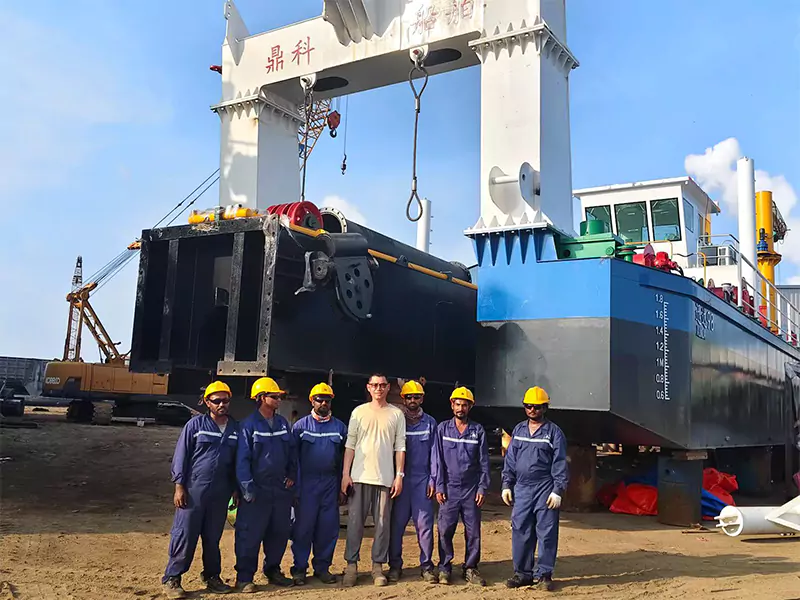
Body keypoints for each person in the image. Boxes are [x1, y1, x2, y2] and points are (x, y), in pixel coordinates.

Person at [161, 381, 239, 599]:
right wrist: (179, 486)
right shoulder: (195, 426)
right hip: (194, 489)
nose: (222, 404)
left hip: (221, 491)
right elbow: (181, 456)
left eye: (226, 400)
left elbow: (237, 462)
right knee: (185, 534)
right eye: (217, 401)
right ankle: (173, 578)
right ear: (207, 402)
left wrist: (235, 489)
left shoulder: (235, 428)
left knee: (213, 537)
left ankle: (212, 576)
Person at [341, 373, 407, 587]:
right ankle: (351, 565)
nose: (378, 389)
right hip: (359, 477)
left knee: (382, 524)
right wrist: (345, 474)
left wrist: (399, 476)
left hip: (385, 479)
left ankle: (377, 566)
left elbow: (400, 447)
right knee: (354, 523)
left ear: (388, 388)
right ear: (368, 388)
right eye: (374, 385)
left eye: (382, 385)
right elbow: (350, 444)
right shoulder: (358, 413)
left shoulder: (396, 414)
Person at [501, 386, 568, 592]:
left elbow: (560, 463)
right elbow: (510, 460)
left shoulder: (554, 433)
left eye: (536, 407)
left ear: (544, 408)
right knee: (521, 530)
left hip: (544, 488)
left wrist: (558, 490)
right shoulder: (519, 431)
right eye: (528, 406)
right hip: (522, 489)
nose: (532, 410)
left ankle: (544, 575)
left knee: (546, 532)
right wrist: (506, 484)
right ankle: (522, 574)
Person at [234, 377, 297, 593]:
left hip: (280, 490)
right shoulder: (248, 426)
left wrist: (291, 475)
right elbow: (242, 460)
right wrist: (247, 489)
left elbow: (291, 453)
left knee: (279, 533)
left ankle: (273, 570)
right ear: (261, 398)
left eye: (279, 396)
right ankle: (244, 577)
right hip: (257, 490)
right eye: (274, 396)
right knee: (249, 534)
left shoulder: (282, 423)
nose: (279, 399)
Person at [290, 382, 348, 585]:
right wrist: (295, 487)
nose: (323, 403)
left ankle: (322, 568)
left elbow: (344, 460)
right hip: (306, 484)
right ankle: (299, 569)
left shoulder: (340, 427)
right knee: (303, 528)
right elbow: (293, 459)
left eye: (327, 400)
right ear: (311, 401)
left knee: (327, 528)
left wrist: (342, 486)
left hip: (330, 484)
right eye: (319, 399)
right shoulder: (300, 427)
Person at [432, 387, 490, 586]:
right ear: (452, 405)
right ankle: (445, 567)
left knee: (473, 532)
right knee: (445, 530)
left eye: (465, 404)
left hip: (471, 490)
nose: (461, 408)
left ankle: (471, 568)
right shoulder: (442, 429)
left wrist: (482, 488)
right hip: (449, 488)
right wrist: (439, 486)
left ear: (470, 406)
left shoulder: (478, 431)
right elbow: (437, 460)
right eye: (457, 404)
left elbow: (484, 462)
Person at [387, 380, 438, 583]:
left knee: (424, 526)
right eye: (409, 397)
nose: (413, 400)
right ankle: (395, 566)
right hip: (400, 481)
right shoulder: (397, 422)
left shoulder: (430, 423)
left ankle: (426, 566)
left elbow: (435, 454)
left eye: (416, 396)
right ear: (403, 399)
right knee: (397, 526)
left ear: (422, 398)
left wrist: (433, 479)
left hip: (422, 480)